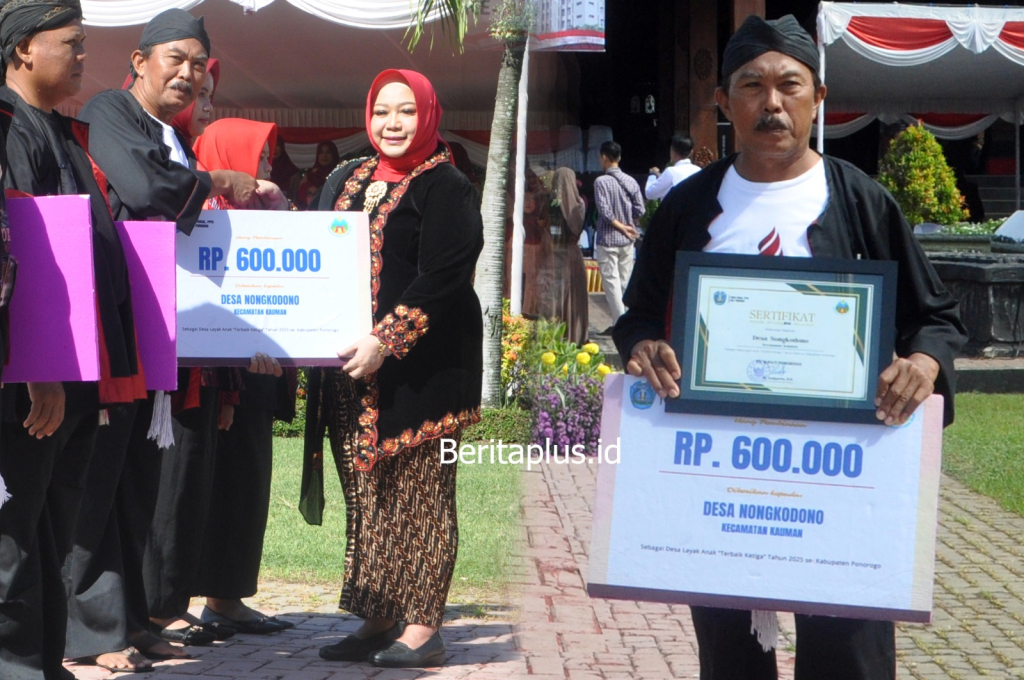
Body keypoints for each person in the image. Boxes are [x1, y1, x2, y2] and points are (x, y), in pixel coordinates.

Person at [613, 15, 967, 680]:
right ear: (724, 101)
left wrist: (923, 364)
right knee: (730, 655)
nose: (771, 103)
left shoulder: (861, 201)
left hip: (841, 474)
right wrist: (644, 346)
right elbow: (637, 316)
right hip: (720, 475)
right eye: (751, 86)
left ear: (818, 98)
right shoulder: (689, 207)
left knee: (850, 652)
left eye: (789, 85)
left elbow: (936, 317)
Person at [78, 8, 285, 655]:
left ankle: (135, 622)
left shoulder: (174, 136)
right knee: (101, 489)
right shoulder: (114, 111)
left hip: (159, 339)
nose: (188, 74)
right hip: (114, 333)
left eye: (199, 64)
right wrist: (217, 180)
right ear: (139, 61)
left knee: (141, 485)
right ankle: (90, 634)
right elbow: (145, 190)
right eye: (176, 58)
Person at [306, 68, 483, 669]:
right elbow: (313, 259)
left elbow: (446, 274)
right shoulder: (347, 177)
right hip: (353, 374)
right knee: (366, 496)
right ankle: (378, 617)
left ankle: (423, 628)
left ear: (428, 115)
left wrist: (386, 338)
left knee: (420, 495)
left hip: (425, 371)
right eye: (382, 111)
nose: (393, 123)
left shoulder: (446, 185)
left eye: (407, 110)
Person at [0, 3, 153, 674]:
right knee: (15, 535)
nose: (85, 57)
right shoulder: (11, 129)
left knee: (52, 528)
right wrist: (39, 369)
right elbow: (17, 254)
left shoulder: (61, 131)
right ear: (23, 49)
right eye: (72, 44)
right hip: (35, 375)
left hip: (77, 369)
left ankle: (44, 660)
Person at [191, 118, 296, 634]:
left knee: (246, 488)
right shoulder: (202, 214)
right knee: (210, 489)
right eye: (258, 156)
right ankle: (173, 603)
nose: (266, 167)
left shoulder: (263, 214)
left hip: (258, 372)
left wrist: (280, 207)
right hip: (212, 378)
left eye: (269, 157)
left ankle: (226, 597)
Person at [593, 140, 644, 333]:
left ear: (604, 157)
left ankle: (620, 325)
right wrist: (629, 225)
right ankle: (629, 322)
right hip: (627, 240)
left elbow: (605, 212)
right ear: (619, 157)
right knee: (625, 281)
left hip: (608, 239)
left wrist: (621, 226)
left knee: (612, 284)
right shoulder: (630, 181)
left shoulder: (601, 182)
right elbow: (640, 209)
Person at [548, 167, 589, 344]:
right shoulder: (579, 205)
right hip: (574, 254)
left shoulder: (552, 205)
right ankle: (575, 337)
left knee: (557, 297)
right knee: (574, 297)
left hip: (556, 254)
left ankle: (555, 336)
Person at [169, 56, 218, 140]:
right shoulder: (152, 144)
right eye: (201, 94)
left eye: (210, 96)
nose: (209, 108)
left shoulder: (180, 145)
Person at [645, 133, 700, 200]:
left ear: (673, 152)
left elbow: (649, 193)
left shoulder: (671, 172)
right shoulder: (698, 171)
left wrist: (653, 175)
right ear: (691, 152)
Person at [297, 140, 340, 208]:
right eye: (321, 152)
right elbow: (299, 194)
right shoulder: (310, 173)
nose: (324, 155)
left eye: (328, 152)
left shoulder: (338, 173)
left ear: (333, 154)